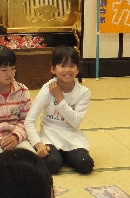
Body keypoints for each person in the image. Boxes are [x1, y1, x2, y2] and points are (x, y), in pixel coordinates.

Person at [24, 46, 94, 175]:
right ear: (53, 69)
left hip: (72, 137)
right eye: (62, 65)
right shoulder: (47, 89)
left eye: (72, 65)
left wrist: (59, 98)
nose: (67, 70)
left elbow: (75, 122)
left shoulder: (84, 92)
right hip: (49, 136)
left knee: (85, 164)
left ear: (78, 69)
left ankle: (65, 156)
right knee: (52, 164)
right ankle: (59, 157)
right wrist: (38, 144)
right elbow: (29, 121)